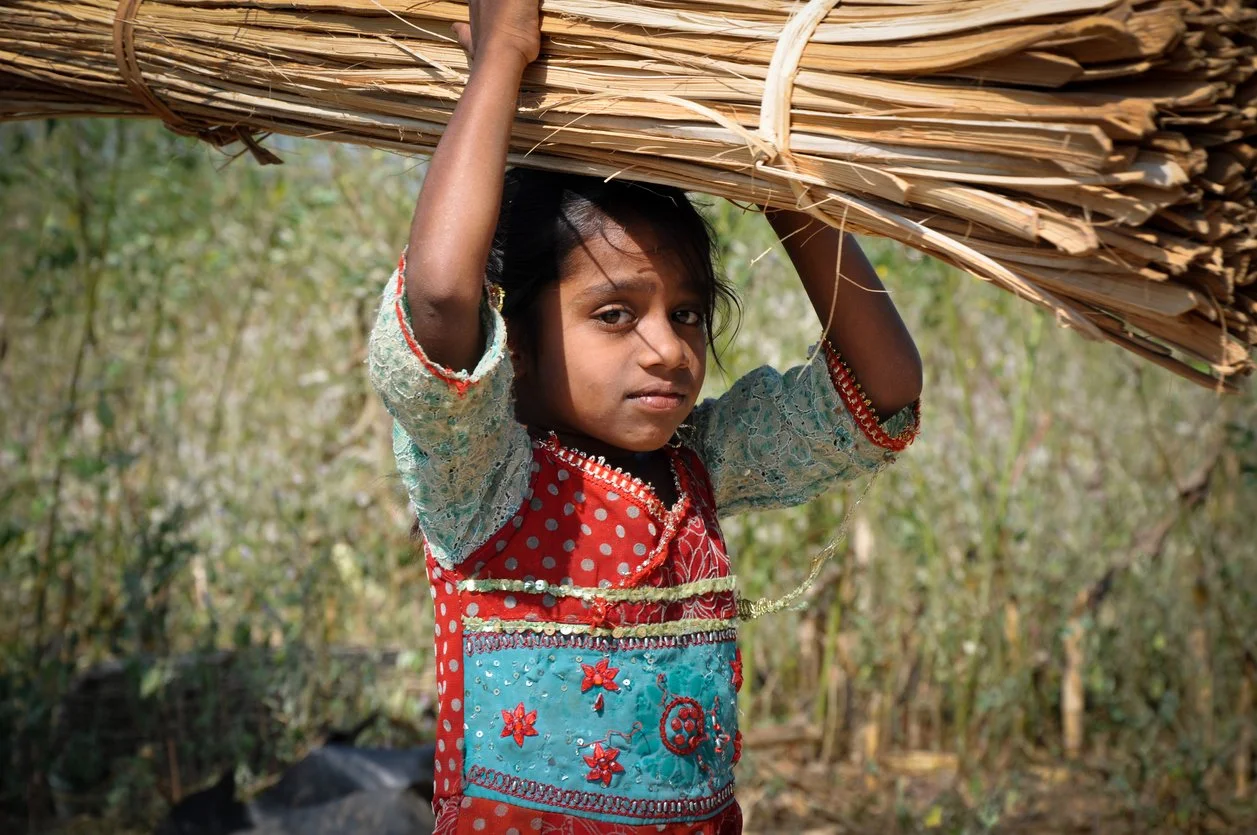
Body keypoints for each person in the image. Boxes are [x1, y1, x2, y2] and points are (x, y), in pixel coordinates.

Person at [367, 1, 922, 831]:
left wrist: (774, 176)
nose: (667, 348)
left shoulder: (703, 463)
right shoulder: (483, 481)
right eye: (615, 315)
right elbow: (443, 296)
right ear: (514, 337)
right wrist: (502, 59)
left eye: (688, 313)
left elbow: (880, 393)